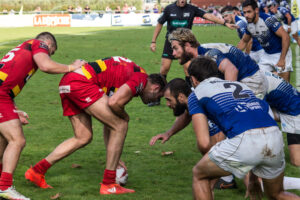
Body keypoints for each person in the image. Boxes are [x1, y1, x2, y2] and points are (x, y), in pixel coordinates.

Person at [25, 56, 166, 195]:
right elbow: (113, 103)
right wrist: (125, 116)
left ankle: (37, 171)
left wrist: (115, 159)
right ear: (155, 87)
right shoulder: (140, 79)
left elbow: (109, 123)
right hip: (81, 82)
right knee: (121, 125)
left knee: (83, 137)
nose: (154, 100)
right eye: (159, 96)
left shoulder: (133, 76)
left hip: (68, 82)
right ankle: (109, 184)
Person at [187, 56, 300, 200]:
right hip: (274, 136)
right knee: (277, 194)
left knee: (199, 174)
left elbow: (203, 143)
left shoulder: (196, 93)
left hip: (245, 140)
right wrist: (253, 177)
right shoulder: (241, 86)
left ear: (193, 79)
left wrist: (211, 161)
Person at [0, 32, 85, 200]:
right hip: (1, 95)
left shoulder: (23, 48)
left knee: (3, 139)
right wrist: (71, 67)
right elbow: (46, 65)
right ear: (49, 44)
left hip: (4, 96)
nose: (48, 53)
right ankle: (4, 187)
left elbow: (7, 78)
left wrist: (13, 109)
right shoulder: (40, 44)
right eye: (51, 51)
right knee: (17, 140)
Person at [149, 0, 237, 106]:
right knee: (164, 68)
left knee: (188, 69)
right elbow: (159, 24)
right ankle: (158, 96)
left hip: (185, 44)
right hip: (170, 42)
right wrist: (153, 41)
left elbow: (208, 16)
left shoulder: (191, 9)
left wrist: (224, 23)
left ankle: (191, 95)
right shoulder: (169, 9)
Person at [168, 28, 267, 99]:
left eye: (175, 48)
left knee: (238, 118)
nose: (173, 53)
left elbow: (231, 70)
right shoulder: (200, 56)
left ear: (187, 45)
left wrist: (229, 99)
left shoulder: (209, 54)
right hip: (245, 79)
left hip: (252, 80)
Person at [237, 0, 292, 82]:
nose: (246, 15)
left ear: (256, 10)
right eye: (244, 13)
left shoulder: (268, 20)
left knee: (285, 85)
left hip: (281, 53)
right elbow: (244, 41)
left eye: (249, 12)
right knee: (257, 78)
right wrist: (233, 53)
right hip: (267, 54)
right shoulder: (249, 25)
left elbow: (286, 37)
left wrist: (282, 59)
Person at [263, 70, 300, 167]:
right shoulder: (257, 73)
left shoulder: (255, 82)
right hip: (284, 109)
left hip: (294, 112)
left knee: (296, 161)